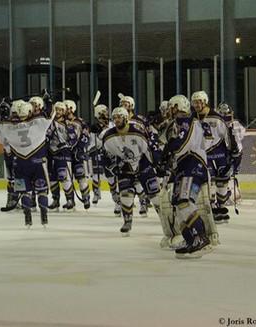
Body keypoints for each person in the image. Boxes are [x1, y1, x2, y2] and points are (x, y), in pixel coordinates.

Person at [161, 95, 214, 258]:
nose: (170, 110)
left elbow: (182, 143)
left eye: (172, 106)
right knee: (179, 203)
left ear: (179, 106)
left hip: (193, 165)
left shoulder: (186, 120)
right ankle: (190, 238)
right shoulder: (179, 123)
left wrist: (169, 149)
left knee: (184, 201)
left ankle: (200, 238)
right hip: (184, 167)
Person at [102, 107, 161, 236]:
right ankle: (127, 221)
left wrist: (156, 163)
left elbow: (148, 149)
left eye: (119, 117)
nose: (116, 120)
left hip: (143, 165)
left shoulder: (138, 132)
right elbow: (107, 155)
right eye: (115, 117)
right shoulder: (108, 136)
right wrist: (112, 165)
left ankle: (166, 221)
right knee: (125, 195)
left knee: (156, 196)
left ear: (126, 118)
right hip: (125, 168)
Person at [0, 100, 55, 228]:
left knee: (25, 192)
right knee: (42, 192)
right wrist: (48, 101)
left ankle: (27, 216)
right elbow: (50, 113)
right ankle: (44, 215)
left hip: (20, 164)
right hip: (38, 163)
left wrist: (3, 112)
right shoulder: (38, 123)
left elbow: (1, 128)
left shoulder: (8, 127)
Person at [191, 91, 233, 223]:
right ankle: (212, 207)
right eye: (195, 102)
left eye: (199, 102)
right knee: (208, 181)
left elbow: (227, 135)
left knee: (222, 182)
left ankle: (220, 207)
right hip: (203, 155)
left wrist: (233, 152)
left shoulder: (216, 117)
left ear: (205, 101)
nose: (197, 104)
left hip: (220, 154)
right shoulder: (192, 118)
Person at [47, 101, 77, 211]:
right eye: (56, 109)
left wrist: (66, 145)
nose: (58, 112)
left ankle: (70, 200)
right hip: (51, 153)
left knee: (64, 177)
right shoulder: (49, 122)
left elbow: (73, 139)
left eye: (60, 110)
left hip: (63, 153)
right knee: (52, 178)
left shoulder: (68, 124)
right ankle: (55, 200)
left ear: (64, 111)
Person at [64, 99, 91, 210]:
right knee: (66, 177)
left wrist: (79, 149)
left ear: (72, 108)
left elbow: (86, 137)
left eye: (68, 107)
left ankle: (86, 197)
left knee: (81, 176)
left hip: (77, 153)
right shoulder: (61, 121)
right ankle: (70, 200)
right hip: (65, 153)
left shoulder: (80, 121)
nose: (66, 110)